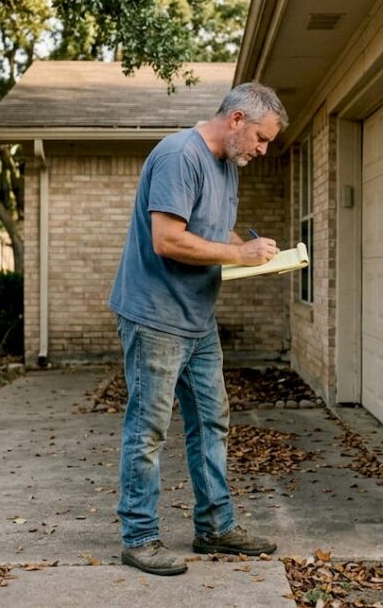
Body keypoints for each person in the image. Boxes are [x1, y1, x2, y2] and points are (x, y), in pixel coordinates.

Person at [107, 82, 289, 576]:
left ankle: (215, 526)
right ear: (236, 120)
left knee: (211, 421)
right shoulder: (178, 156)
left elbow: (214, 234)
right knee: (147, 431)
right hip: (155, 317)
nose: (262, 149)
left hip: (197, 320)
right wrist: (237, 254)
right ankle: (140, 538)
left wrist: (259, 255)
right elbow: (167, 239)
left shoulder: (227, 166)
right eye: (261, 138)